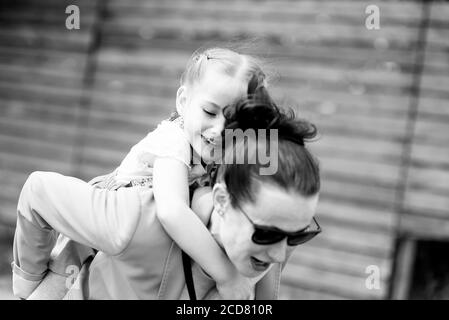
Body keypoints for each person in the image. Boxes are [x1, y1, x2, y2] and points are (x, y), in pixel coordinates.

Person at [13, 87, 322, 300]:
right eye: (267, 233)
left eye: (298, 236)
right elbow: (38, 191)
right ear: (222, 201)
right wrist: (26, 281)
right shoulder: (135, 221)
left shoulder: (263, 257)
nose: (281, 254)